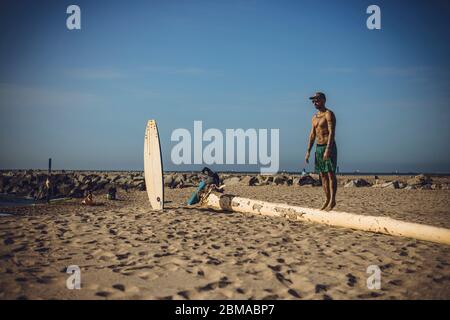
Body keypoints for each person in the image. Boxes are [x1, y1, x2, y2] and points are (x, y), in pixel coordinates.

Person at [305, 92, 338, 211]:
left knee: (330, 173)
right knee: (322, 176)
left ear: (323, 100)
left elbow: (332, 132)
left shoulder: (329, 114)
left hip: (328, 146)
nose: (314, 102)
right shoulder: (314, 117)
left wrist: (328, 149)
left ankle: (332, 200)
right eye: (313, 101)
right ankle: (327, 199)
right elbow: (312, 135)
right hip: (318, 148)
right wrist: (308, 150)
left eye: (317, 100)